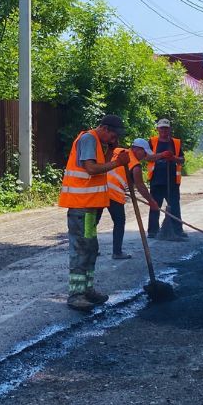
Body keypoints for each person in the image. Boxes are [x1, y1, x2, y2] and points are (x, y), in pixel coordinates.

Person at [57, 114, 129, 312]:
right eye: (113, 135)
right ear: (105, 128)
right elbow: (91, 169)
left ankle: (87, 290)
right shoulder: (89, 138)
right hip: (81, 206)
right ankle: (76, 294)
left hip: (90, 208)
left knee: (90, 247)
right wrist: (117, 163)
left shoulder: (98, 143)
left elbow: (99, 166)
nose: (114, 138)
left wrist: (112, 151)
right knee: (81, 248)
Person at [104, 139, 160, 260]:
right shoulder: (135, 166)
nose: (145, 156)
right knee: (119, 222)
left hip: (100, 189)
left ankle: (90, 249)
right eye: (144, 153)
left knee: (93, 221)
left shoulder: (119, 150)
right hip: (114, 193)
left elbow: (105, 160)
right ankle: (117, 252)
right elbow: (140, 186)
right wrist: (152, 201)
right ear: (137, 149)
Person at [146, 118, 187, 241]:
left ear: (169, 129)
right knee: (154, 205)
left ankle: (177, 230)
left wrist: (173, 158)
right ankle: (153, 230)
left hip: (172, 180)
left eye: (166, 128)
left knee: (174, 205)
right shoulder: (152, 142)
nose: (164, 130)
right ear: (157, 129)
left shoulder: (176, 143)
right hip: (156, 180)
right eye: (161, 128)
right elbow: (147, 157)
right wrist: (161, 155)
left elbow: (182, 160)